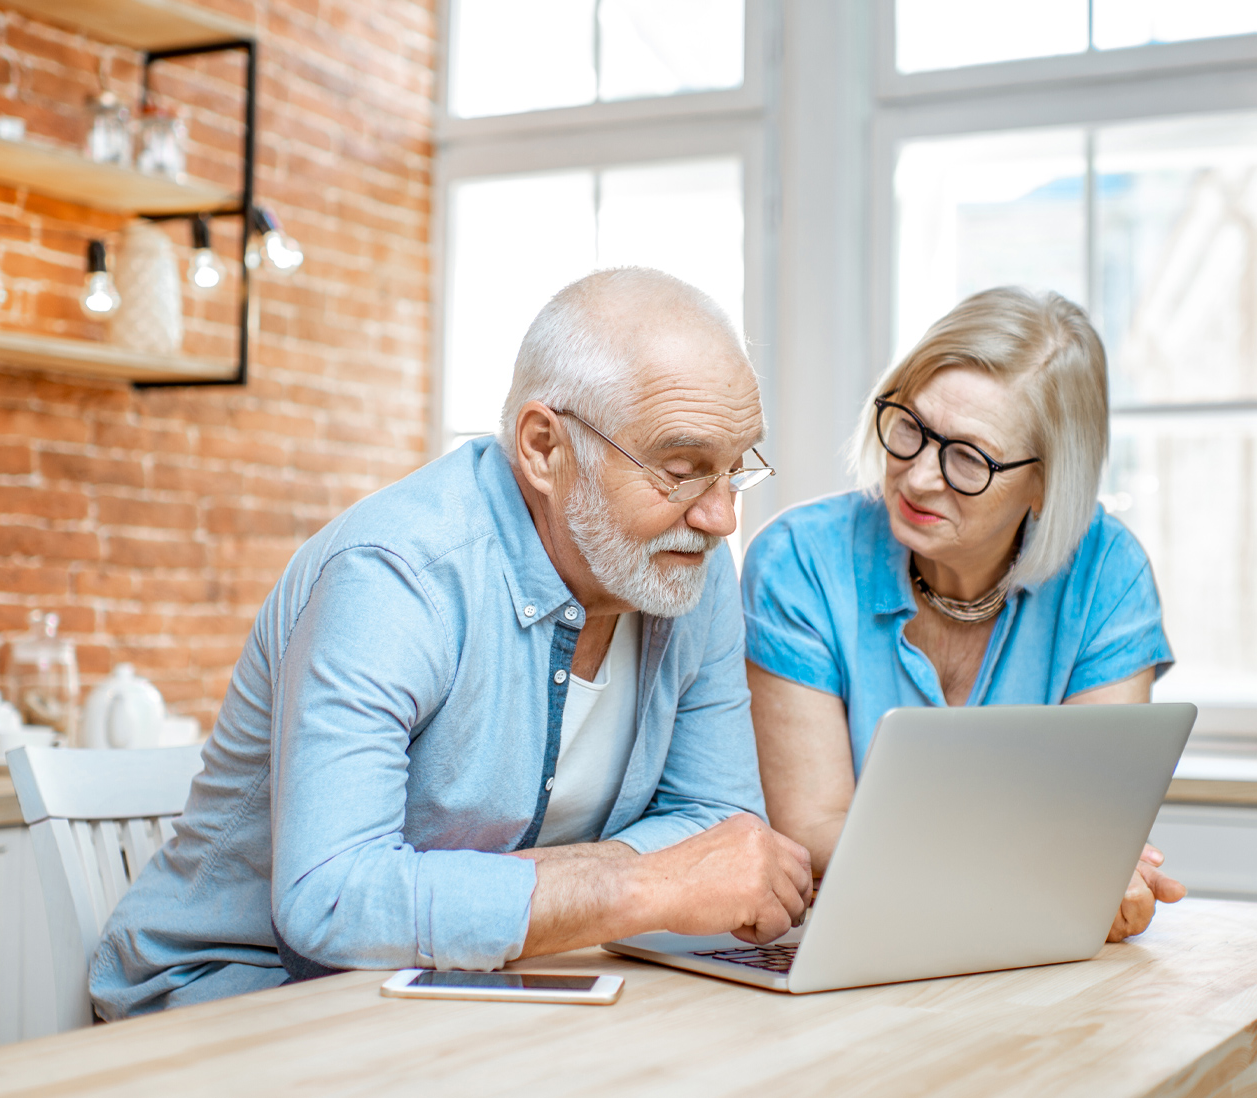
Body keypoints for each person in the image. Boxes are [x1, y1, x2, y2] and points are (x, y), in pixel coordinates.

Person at [91, 268, 812, 1017]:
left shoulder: (685, 566)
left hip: (473, 991)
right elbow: (332, 901)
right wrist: (640, 885)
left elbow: (720, 826)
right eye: (683, 470)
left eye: (736, 468)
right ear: (543, 448)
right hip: (243, 997)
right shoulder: (396, 576)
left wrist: (491, 894)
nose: (723, 517)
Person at [741, 287, 1184, 943]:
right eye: (911, 428)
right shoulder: (797, 562)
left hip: (1021, 951)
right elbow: (817, 831)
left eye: (969, 458)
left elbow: (1088, 825)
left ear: (1048, 482)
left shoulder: (1107, 575)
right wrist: (1067, 866)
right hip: (854, 941)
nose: (918, 477)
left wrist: (1100, 867)